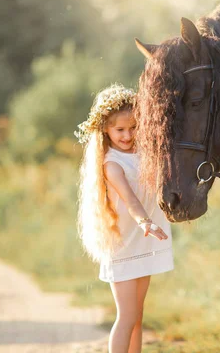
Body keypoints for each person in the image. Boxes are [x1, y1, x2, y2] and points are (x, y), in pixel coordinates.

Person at [76, 84, 173, 353]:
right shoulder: (111, 163)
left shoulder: (145, 153)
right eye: (120, 130)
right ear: (105, 130)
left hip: (144, 243)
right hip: (125, 245)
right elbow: (130, 199)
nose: (127, 135)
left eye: (133, 127)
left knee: (138, 318)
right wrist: (145, 222)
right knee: (127, 318)